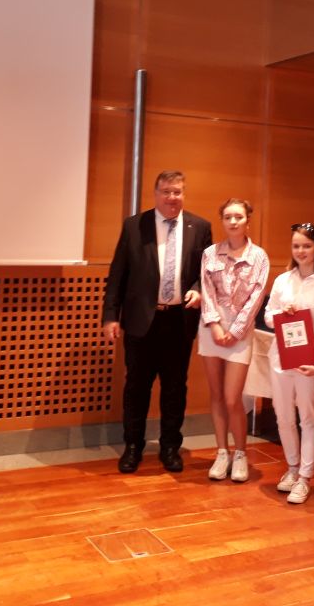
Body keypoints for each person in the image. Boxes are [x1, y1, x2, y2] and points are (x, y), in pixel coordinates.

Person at [102, 170, 213, 474]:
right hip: (141, 320)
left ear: (183, 194)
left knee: (175, 388)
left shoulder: (200, 227)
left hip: (178, 321)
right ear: (156, 193)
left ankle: (170, 448)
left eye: (177, 191)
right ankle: (133, 447)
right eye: (166, 191)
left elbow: (206, 272)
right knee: (136, 387)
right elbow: (118, 273)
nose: (171, 197)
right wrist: (110, 315)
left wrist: (198, 289)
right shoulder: (134, 225)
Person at [199, 198, 270, 482]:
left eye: (238, 216)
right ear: (222, 220)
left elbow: (257, 297)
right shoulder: (210, 254)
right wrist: (215, 325)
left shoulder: (259, 256)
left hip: (241, 331)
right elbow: (206, 292)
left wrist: (236, 330)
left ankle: (240, 453)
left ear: (247, 220)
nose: (233, 221)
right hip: (211, 329)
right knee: (216, 395)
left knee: (232, 398)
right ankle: (221, 452)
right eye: (228, 216)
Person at [263, 223, 314, 504]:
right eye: (296, 246)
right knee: (283, 417)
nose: (301, 251)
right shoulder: (283, 280)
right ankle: (292, 468)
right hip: (281, 357)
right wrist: (282, 312)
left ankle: (305, 477)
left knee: (308, 418)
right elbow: (268, 316)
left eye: (306, 245)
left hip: (310, 360)